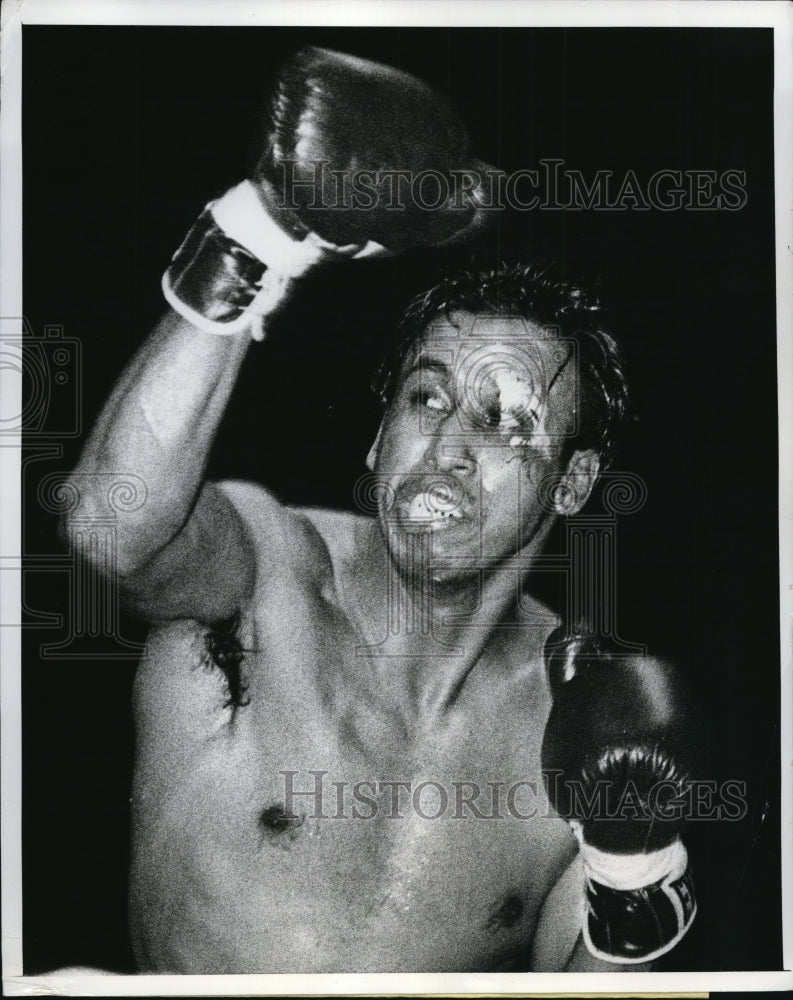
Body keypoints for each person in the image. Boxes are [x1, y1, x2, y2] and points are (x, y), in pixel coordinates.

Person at [62, 47, 698, 974]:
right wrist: (262, 228)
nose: (446, 446)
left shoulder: (577, 721)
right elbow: (109, 528)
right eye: (425, 398)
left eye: (505, 421)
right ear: (376, 440)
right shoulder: (265, 576)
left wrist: (633, 867)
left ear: (571, 483)